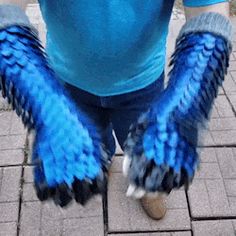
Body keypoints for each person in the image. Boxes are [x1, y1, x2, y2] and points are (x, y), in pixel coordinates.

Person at [0, 0, 232, 220]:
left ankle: (149, 187)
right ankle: (106, 157)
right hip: (68, 79)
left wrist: (185, 104)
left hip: (142, 82)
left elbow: (208, 10)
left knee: (151, 148)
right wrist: (43, 104)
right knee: (95, 141)